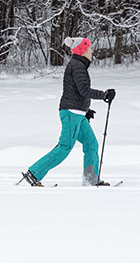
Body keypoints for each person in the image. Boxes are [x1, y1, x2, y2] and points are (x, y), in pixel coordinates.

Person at [20, 36, 115, 187]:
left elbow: (76, 91)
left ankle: (91, 179)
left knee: (91, 144)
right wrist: (103, 95)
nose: (91, 51)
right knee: (64, 147)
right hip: (71, 113)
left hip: (77, 113)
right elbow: (84, 90)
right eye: (89, 48)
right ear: (83, 50)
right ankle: (33, 174)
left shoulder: (79, 65)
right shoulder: (77, 66)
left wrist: (86, 110)